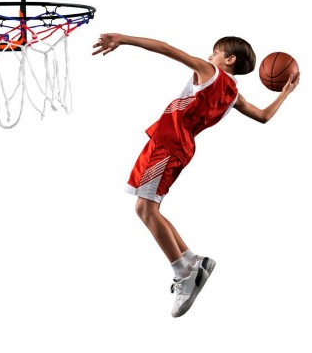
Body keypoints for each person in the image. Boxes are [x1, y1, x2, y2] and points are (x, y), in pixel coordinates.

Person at [92, 34, 300, 317]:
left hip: (168, 143)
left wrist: (122, 39)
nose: (210, 56)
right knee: (148, 209)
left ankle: (184, 273)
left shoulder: (210, 72)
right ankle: (193, 260)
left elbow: (166, 48)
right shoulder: (233, 95)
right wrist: (285, 93)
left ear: (229, 59)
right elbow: (263, 116)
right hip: (179, 145)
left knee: (145, 209)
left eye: (215, 53)